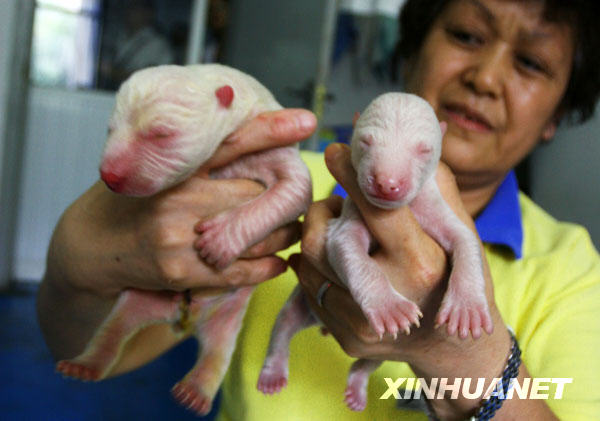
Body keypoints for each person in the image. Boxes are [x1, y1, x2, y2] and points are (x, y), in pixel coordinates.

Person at [37, 0, 600, 420]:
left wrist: (472, 362)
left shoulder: (574, 272)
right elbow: (100, 351)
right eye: (466, 34)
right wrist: (80, 254)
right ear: (411, 48)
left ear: (558, 114)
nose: (486, 76)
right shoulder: (282, 183)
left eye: (530, 62)